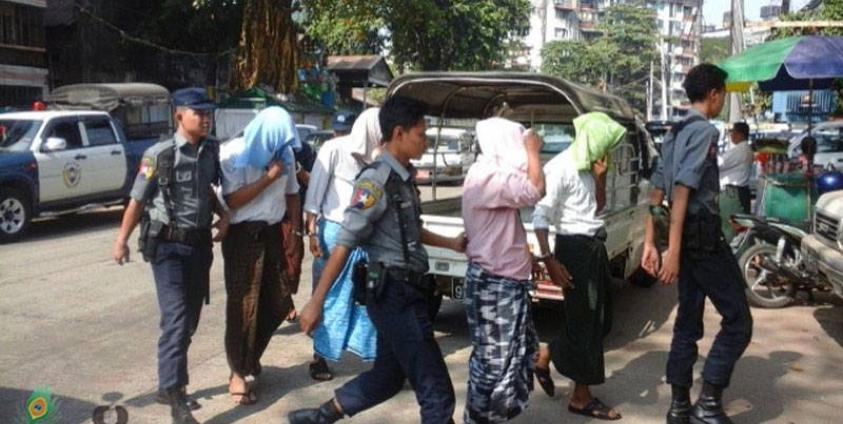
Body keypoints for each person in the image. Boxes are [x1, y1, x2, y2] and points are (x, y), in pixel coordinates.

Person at [290, 96, 467, 424]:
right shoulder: (375, 181)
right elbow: (345, 242)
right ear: (399, 133)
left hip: (406, 291)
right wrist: (317, 302)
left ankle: (320, 417)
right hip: (395, 294)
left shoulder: (403, 177)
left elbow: (411, 229)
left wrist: (452, 244)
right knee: (436, 391)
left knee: (388, 376)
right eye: (420, 135)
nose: (425, 142)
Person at [641, 63, 753, 424]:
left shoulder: (674, 131)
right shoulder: (704, 130)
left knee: (687, 323)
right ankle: (707, 404)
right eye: (723, 95)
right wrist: (671, 252)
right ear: (714, 94)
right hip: (701, 239)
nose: (722, 102)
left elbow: (656, 192)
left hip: (685, 237)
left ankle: (679, 407)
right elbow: (681, 190)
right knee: (739, 321)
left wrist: (650, 242)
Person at [111, 88, 228, 424]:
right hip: (167, 248)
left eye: (208, 113)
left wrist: (224, 214)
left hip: (199, 247)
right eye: (198, 113)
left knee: (188, 321)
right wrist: (121, 240)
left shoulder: (211, 149)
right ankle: (176, 396)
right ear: (179, 115)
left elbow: (207, 188)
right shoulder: (159, 155)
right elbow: (136, 200)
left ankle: (168, 384)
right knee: (176, 320)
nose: (205, 118)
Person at [532, 112, 627, 421]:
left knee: (601, 321)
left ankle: (547, 354)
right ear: (592, 140)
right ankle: (580, 397)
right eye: (606, 145)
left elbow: (597, 207)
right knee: (586, 325)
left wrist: (600, 179)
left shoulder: (591, 166)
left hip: (593, 248)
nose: (608, 152)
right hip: (573, 250)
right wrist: (550, 261)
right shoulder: (560, 167)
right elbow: (540, 217)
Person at [461, 117, 546, 423]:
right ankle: (478, 419)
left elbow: (505, 227)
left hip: (503, 280)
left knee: (509, 357)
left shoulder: (490, 173)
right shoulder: (489, 177)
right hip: (495, 283)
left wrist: (526, 257)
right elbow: (536, 190)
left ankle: (486, 416)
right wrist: (533, 150)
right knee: (493, 364)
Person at [219, 106, 302, 406]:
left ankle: (249, 356)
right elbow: (232, 200)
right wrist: (269, 177)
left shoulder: (285, 154)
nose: (281, 147)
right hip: (243, 235)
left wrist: (295, 232)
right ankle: (238, 373)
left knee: (279, 301)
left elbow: (292, 193)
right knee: (244, 307)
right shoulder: (233, 152)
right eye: (276, 140)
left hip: (274, 232)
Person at [302, 108, 382, 381]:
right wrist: (312, 231)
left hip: (367, 234)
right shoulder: (334, 148)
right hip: (336, 231)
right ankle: (320, 356)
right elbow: (315, 191)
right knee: (329, 294)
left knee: (366, 295)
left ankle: (371, 354)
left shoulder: (379, 157)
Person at [283, 139, 317, 323]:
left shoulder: (303, 150)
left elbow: (313, 181)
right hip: (271, 216)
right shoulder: (266, 150)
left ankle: (283, 300)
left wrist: (297, 169)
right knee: (280, 263)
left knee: (294, 263)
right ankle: (285, 304)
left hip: (295, 214)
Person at [718, 122, 753, 214]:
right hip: (739, 191)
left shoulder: (740, 150)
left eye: (733, 132)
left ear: (740, 134)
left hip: (733, 193)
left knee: (728, 221)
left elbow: (719, 163)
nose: (731, 135)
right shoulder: (745, 149)